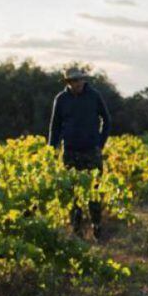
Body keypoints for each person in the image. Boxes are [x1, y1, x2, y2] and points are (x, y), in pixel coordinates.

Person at [48, 67, 111, 239]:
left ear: (83, 80)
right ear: (68, 83)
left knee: (95, 190)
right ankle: (77, 231)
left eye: (78, 80)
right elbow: (54, 127)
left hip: (91, 150)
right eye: (72, 81)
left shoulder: (94, 96)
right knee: (72, 193)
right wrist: (51, 150)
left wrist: (100, 143)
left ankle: (97, 226)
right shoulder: (60, 99)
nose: (76, 84)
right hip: (69, 151)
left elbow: (107, 120)